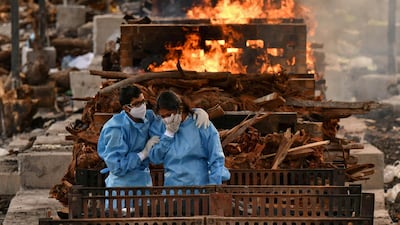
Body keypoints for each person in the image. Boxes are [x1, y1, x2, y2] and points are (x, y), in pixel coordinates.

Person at [97, 85, 211, 188]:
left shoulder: (149, 117)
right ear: (126, 108)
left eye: (143, 102)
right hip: (121, 187)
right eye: (137, 104)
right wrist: (142, 154)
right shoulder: (115, 129)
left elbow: (170, 114)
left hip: (144, 181)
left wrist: (195, 111)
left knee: (144, 211)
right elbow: (117, 167)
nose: (142, 106)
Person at [148, 90, 231, 187]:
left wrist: (214, 185)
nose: (166, 119)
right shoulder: (160, 127)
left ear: (180, 110)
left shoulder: (200, 124)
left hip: (199, 189)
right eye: (163, 116)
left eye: (169, 114)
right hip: (173, 191)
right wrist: (168, 135)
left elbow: (216, 158)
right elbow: (155, 158)